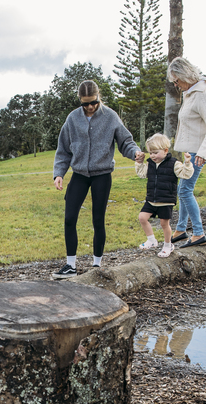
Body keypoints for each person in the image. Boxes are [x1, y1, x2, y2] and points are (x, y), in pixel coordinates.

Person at [52, 80, 145, 278]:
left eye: (93, 102)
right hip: (79, 175)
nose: (90, 107)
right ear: (80, 100)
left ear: (98, 97)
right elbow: (63, 150)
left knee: (98, 219)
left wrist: (135, 153)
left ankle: (96, 265)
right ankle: (70, 266)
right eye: (85, 103)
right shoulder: (72, 119)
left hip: (102, 175)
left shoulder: (110, 116)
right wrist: (59, 173)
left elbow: (126, 142)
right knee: (69, 218)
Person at [167, 57, 206, 248]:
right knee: (183, 188)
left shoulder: (202, 95)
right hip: (191, 151)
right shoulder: (191, 93)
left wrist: (203, 152)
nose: (176, 85)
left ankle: (198, 233)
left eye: (177, 81)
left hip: (199, 151)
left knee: (184, 190)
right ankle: (181, 230)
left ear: (185, 75)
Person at [136, 133, 193, 258]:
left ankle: (168, 245)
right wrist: (139, 163)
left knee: (164, 224)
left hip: (166, 200)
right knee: (142, 217)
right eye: (151, 153)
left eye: (155, 152)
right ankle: (151, 240)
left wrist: (188, 163)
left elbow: (186, 174)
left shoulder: (174, 164)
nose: (152, 156)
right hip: (151, 199)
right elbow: (141, 174)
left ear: (165, 151)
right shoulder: (150, 164)